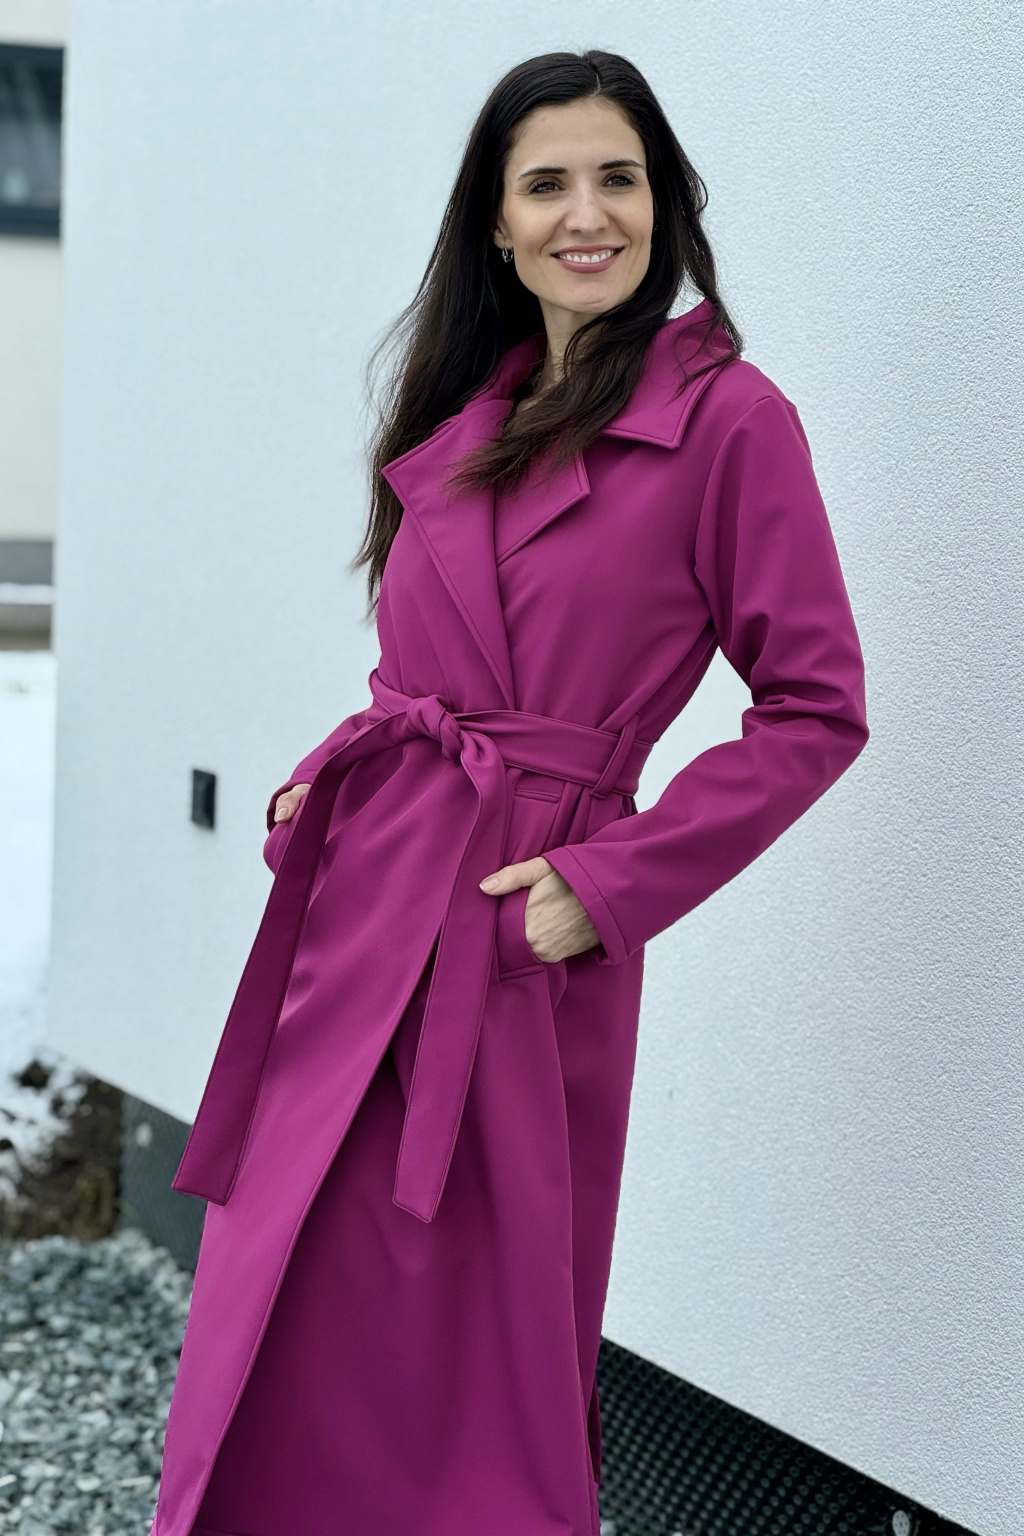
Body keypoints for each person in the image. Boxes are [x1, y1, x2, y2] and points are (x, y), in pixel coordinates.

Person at [151, 48, 868, 1536]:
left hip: (514, 925)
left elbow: (816, 707)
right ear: (495, 217)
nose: (585, 215)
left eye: (620, 179)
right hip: (359, 913)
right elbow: (421, 676)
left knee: (467, 1357)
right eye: (547, 184)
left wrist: (604, 888)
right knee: (276, 1292)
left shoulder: (731, 421)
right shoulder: (467, 413)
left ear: (667, 204)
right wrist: (321, 777)